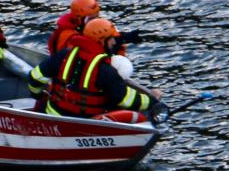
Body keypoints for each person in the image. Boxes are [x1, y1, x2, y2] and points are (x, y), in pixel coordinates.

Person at [28, 17, 157, 119]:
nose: (113, 42)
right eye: (111, 39)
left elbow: (35, 77)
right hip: (87, 123)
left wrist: (38, 95)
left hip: (54, 117)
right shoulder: (106, 70)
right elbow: (125, 99)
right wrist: (152, 100)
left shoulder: (65, 54)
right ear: (101, 41)